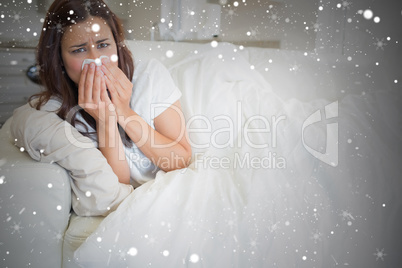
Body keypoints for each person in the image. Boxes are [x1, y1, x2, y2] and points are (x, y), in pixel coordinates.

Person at [30, 0, 192, 186]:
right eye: (79, 50)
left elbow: (180, 160)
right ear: (58, 58)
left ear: (116, 44)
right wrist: (104, 120)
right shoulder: (54, 113)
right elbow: (118, 185)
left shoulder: (149, 75)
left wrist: (124, 112)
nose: (96, 60)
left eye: (103, 45)